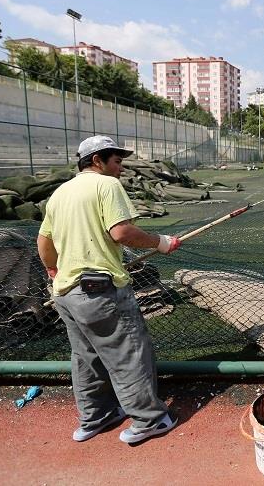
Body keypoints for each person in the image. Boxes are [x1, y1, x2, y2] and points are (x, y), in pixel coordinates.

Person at [37, 135, 182, 444]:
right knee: (128, 354)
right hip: (99, 292)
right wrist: (162, 242)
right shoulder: (106, 186)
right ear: (97, 161)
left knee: (86, 357)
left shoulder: (60, 193)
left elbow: (44, 242)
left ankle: (95, 417)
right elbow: (121, 231)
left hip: (65, 293)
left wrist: (53, 269)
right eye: (116, 161)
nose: (120, 169)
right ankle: (149, 420)